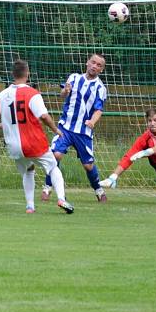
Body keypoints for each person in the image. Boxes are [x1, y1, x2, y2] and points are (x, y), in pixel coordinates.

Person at [0, 59, 74, 214]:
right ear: (27, 74)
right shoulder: (32, 93)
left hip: (14, 145)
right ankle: (61, 199)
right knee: (53, 167)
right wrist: (56, 130)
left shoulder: (1, 96)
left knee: (29, 170)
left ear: (12, 75)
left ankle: (30, 206)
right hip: (33, 142)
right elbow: (44, 116)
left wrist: (4, 126)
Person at [41, 53, 109, 203]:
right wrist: (65, 91)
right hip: (65, 127)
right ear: (87, 62)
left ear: (101, 70)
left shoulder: (100, 88)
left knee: (88, 165)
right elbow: (63, 94)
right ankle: (47, 186)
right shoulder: (73, 78)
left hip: (83, 132)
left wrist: (92, 121)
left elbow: (99, 110)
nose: (94, 66)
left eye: (99, 65)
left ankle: (98, 189)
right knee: (56, 155)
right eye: (93, 62)